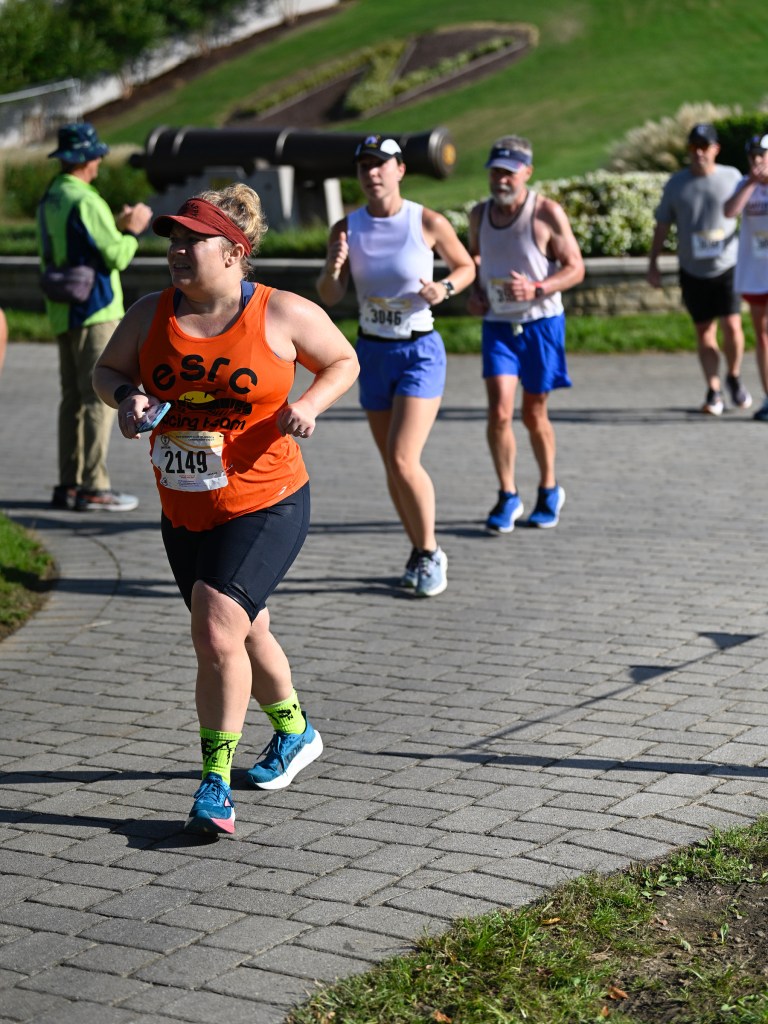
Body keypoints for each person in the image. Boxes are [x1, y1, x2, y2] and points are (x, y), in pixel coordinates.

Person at [93, 184, 358, 836]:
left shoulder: (280, 313)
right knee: (246, 631)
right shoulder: (151, 313)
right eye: (172, 241)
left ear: (234, 251)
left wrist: (311, 405)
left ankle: (214, 785)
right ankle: (296, 733)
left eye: (193, 241)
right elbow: (107, 372)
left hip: (267, 502)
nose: (178, 252)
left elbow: (343, 359)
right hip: (184, 509)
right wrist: (125, 396)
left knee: (215, 632)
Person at [316, 135, 475, 597]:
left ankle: (430, 552)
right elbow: (330, 296)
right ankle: (416, 549)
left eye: (381, 165)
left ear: (400, 170)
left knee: (405, 458)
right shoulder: (346, 228)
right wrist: (332, 266)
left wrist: (443, 290)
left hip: (419, 352)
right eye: (364, 166)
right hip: (372, 353)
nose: (372, 174)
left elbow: (465, 267)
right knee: (391, 463)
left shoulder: (425, 221)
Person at [467, 135, 584, 534]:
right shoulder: (478, 215)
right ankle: (507, 494)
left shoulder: (546, 213)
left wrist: (537, 288)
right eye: (495, 172)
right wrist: (477, 294)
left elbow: (575, 268)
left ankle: (549, 488)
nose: (501, 180)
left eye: (509, 173)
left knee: (534, 413)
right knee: (499, 411)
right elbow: (477, 260)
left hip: (541, 325)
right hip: (499, 325)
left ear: (527, 174)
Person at [38, 121, 153, 512]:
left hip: (61, 308)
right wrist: (133, 229)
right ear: (88, 159)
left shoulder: (52, 196)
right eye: (97, 154)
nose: (101, 160)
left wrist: (114, 229)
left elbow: (72, 246)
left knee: (71, 399)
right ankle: (94, 487)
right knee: (95, 400)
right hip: (96, 308)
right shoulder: (86, 200)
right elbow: (116, 256)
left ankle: (68, 484)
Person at [648, 122, 750, 416]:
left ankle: (734, 375)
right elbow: (662, 225)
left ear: (715, 149)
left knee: (732, 326)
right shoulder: (676, 183)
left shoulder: (732, 177)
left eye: (704, 147)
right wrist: (653, 263)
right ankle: (714, 389)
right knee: (704, 331)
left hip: (727, 266)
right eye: (694, 147)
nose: (699, 153)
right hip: (693, 270)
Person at [724, 132, 768, 421]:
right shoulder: (745, 184)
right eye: (752, 156)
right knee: (763, 337)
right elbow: (729, 211)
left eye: (762, 155)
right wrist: (752, 182)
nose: (757, 161)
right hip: (756, 272)